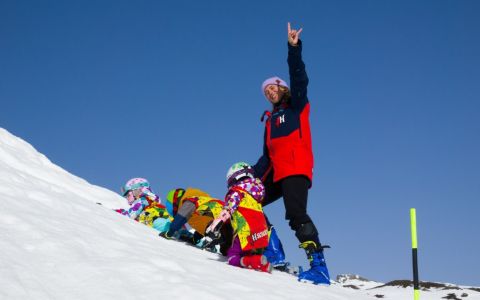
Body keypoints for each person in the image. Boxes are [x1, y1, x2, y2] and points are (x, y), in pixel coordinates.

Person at [252, 23, 330, 284]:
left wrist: (293, 48)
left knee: (295, 214)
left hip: (296, 168)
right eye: (266, 92)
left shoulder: (297, 106)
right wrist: (248, 180)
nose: (270, 92)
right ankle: (273, 251)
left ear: (282, 88)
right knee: (251, 202)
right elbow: (266, 158)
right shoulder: (270, 122)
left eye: (273, 88)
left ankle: (319, 267)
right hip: (277, 173)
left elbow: (299, 78)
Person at [205, 162, 271, 273]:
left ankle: (256, 261)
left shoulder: (237, 192)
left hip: (245, 230)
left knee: (232, 257)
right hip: (261, 232)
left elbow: (228, 209)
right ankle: (262, 264)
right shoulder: (255, 197)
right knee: (245, 254)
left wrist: (215, 225)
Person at [160, 187, 233, 255]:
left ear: (175, 203)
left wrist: (169, 232)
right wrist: (195, 239)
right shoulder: (204, 201)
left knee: (223, 238)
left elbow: (181, 217)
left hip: (219, 224)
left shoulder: (190, 201)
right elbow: (203, 221)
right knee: (227, 249)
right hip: (229, 221)